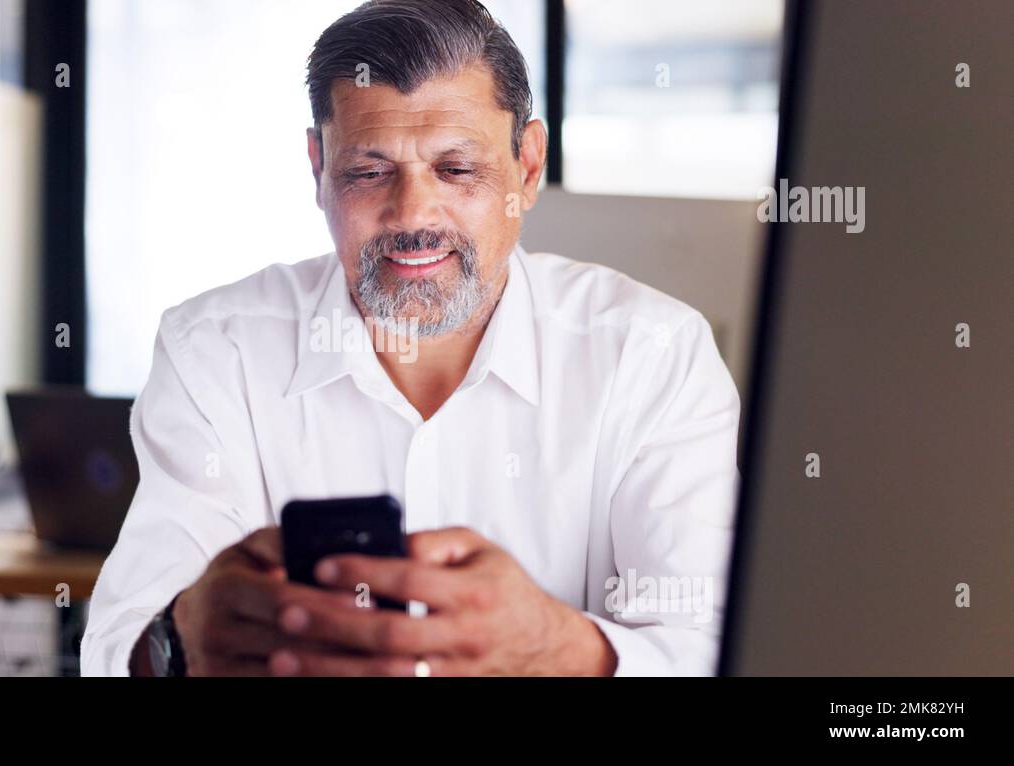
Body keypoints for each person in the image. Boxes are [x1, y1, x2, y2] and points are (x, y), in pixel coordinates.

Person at [81, 0, 739, 676]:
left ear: (529, 166)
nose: (413, 214)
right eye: (368, 172)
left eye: (456, 170)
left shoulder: (653, 355)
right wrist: (178, 636)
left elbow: (724, 643)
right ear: (318, 169)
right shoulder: (214, 351)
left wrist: (559, 648)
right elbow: (116, 644)